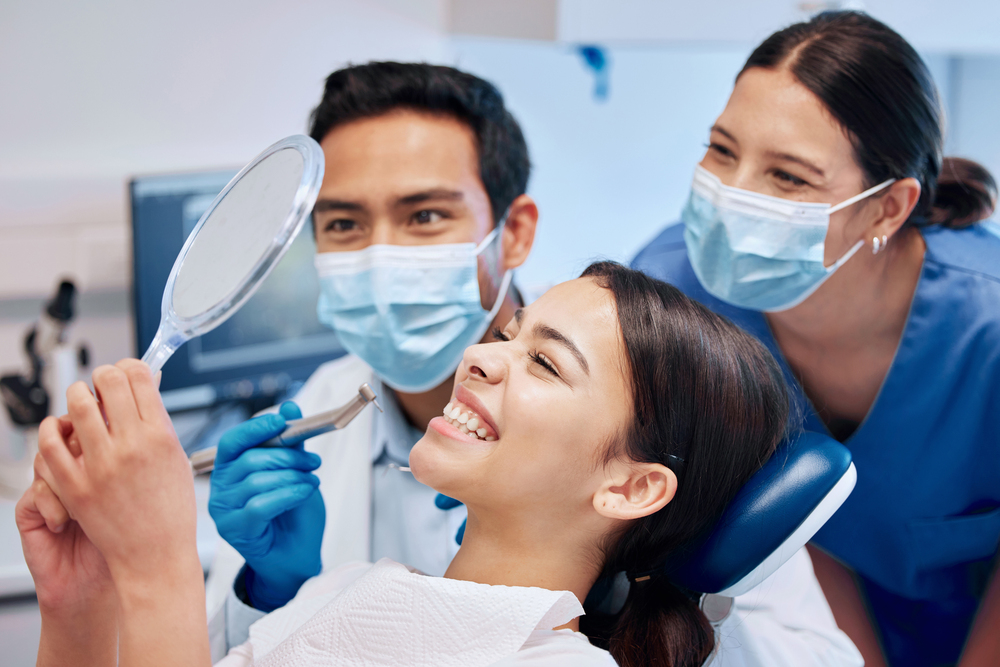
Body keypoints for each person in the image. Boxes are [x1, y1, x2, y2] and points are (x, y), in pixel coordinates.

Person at [203, 62, 862, 665]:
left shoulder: (652, 405)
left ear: (514, 230)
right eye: (344, 224)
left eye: (425, 214)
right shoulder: (321, 414)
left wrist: (665, 590)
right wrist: (274, 589)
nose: (381, 254)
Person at [24, 262, 815, 666]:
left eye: (545, 364)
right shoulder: (349, 592)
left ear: (631, 485)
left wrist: (156, 564)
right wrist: (81, 599)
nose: (480, 357)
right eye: (509, 335)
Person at [632, 11, 1000, 667]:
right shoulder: (675, 298)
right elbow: (790, 523)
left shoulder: (985, 326)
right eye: (722, 150)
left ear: (888, 207)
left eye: (789, 177)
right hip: (808, 625)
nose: (732, 195)